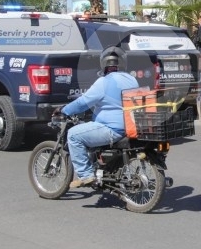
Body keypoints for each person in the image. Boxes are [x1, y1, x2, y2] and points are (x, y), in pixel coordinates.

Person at [53, 47, 139, 188]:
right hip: (130, 126)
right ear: (123, 63)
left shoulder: (103, 82)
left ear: (104, 64)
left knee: (73, 135)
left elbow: (82, 103)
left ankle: (86, 175)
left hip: (112, 128)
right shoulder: (132, 80)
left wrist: (64, 110)